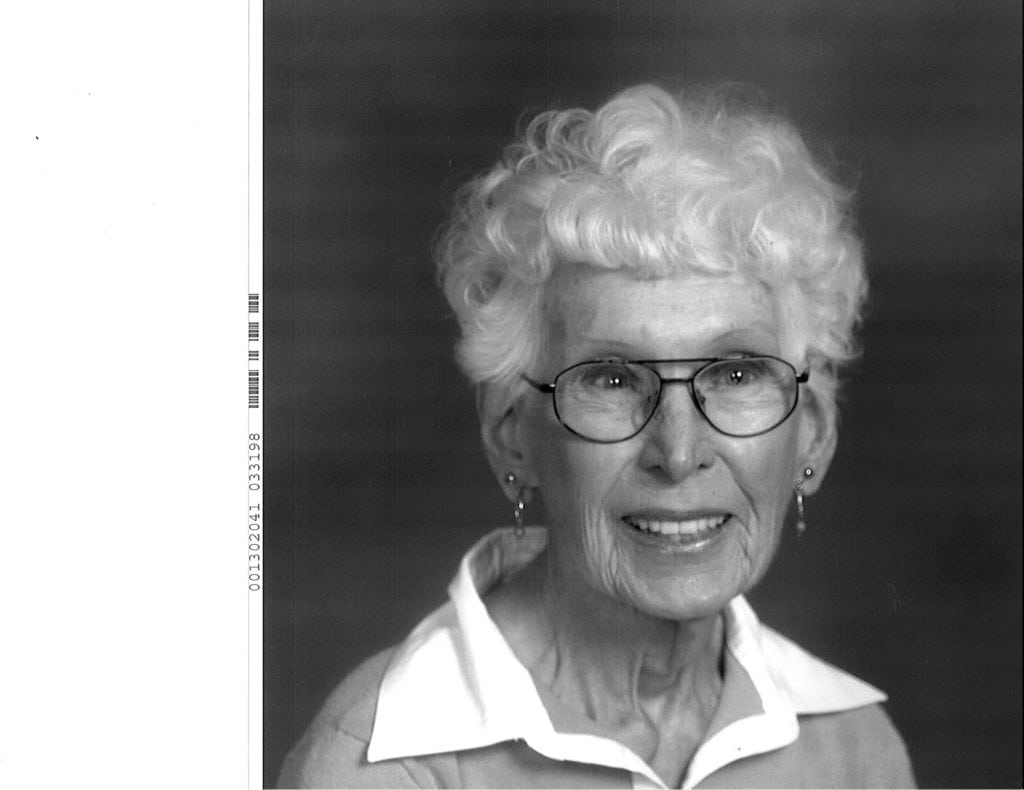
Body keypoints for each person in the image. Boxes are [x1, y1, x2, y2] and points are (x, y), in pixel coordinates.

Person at [278, 83, 916, 789]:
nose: (679, 454)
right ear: (511, 435)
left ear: (813, 435)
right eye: (612, 379)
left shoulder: (856, 750)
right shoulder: (385, 762)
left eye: (736, 374)